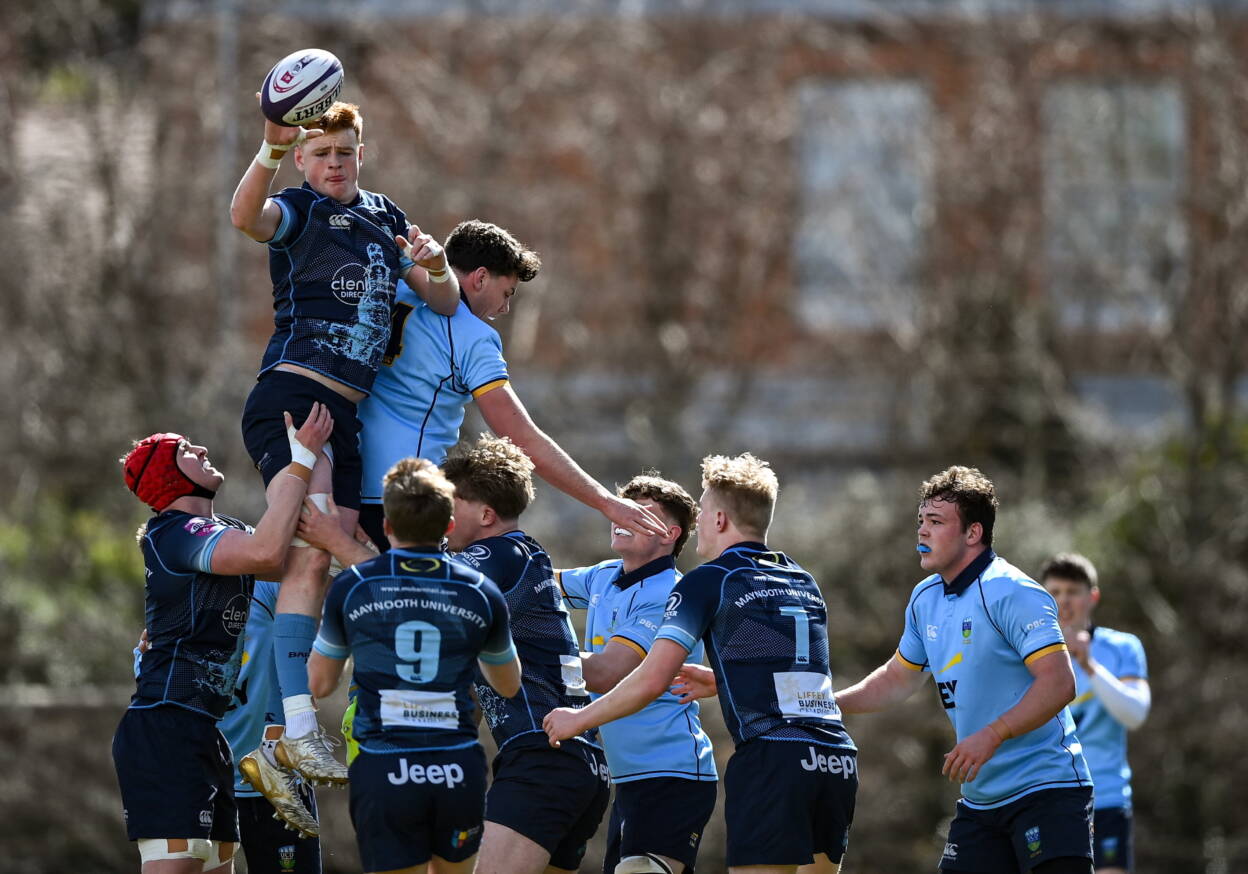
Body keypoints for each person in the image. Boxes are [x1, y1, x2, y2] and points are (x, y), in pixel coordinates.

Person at [230, 98, 460, 786]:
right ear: (303, 159)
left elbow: (442, 300)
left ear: (363, 153)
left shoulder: (386, 217)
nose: (333, 163)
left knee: (315, 565)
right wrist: (269, 147)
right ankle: (293, 729)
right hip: (295, 399)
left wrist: (439, 264)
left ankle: (286, 734)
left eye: (344, 152)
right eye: (320, 152)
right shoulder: (299, 209)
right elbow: (246, 217)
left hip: (345, 415)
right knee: (312, 543)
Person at [835, 466, 1094, 874]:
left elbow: (1060, 683)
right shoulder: (925, 597)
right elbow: (896, 678)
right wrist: (828, 706)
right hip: (981, 802)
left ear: (973, 533)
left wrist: (992, 734)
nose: (922, 531)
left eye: (936, 522)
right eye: (921, 520)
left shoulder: (1013, 591)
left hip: (1048, 790)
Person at [111, 406, 333, 873]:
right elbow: (268, 551)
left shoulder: (224, 531)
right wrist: (301, 461)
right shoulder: (172, 532)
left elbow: (289, 563)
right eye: (186, 451)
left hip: (208, 736)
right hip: (167, 727)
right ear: (169, 478)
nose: (203, 449)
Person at [355, 218, 664, 551]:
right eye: (507, 293)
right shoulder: (472, 336)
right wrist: (606, 502)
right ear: (481, 277)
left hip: (342, 476)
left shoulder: (393, 287)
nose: (504, 307)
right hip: (407, 498)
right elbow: (522, 436)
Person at [304, 458, 522, 874]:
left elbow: (319, 683)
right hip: (456, 764)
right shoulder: (480, 590)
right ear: (448, 526)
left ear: (387, 526)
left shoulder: (353, 586)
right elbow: (509, 685)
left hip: (384, 765)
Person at [439, 434, 610, 874]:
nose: (441, 518)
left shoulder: (494, 554)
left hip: (542, 758)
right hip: (580, 763)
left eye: (450, 506)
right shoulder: (521, 554)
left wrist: (340, 541)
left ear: (486, 514)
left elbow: (415, 586)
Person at [553, 472, 717, 874]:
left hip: (672, 774)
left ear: (670, 534)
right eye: (621, 509)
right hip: (628, 779)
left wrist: (522, 656)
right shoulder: (604, 574)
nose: (621, 517)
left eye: (640, 513)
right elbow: (534, 586)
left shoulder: (669, 594)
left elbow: (605, 673)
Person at [134, 581, 324, 861]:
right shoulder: (174, 601)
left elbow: (317, 586)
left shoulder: (266, 583)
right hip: (203, 785)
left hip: (277, 783)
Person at [1041, 554, 1150, 874]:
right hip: (1044, 801)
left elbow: (1135, 714)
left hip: (1106, 800)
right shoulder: (1023, 654)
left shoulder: (1123, 647)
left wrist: (1087, 663)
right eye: (1054, 591)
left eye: (1072, 591)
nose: (1063, 600)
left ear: (1093, 596)